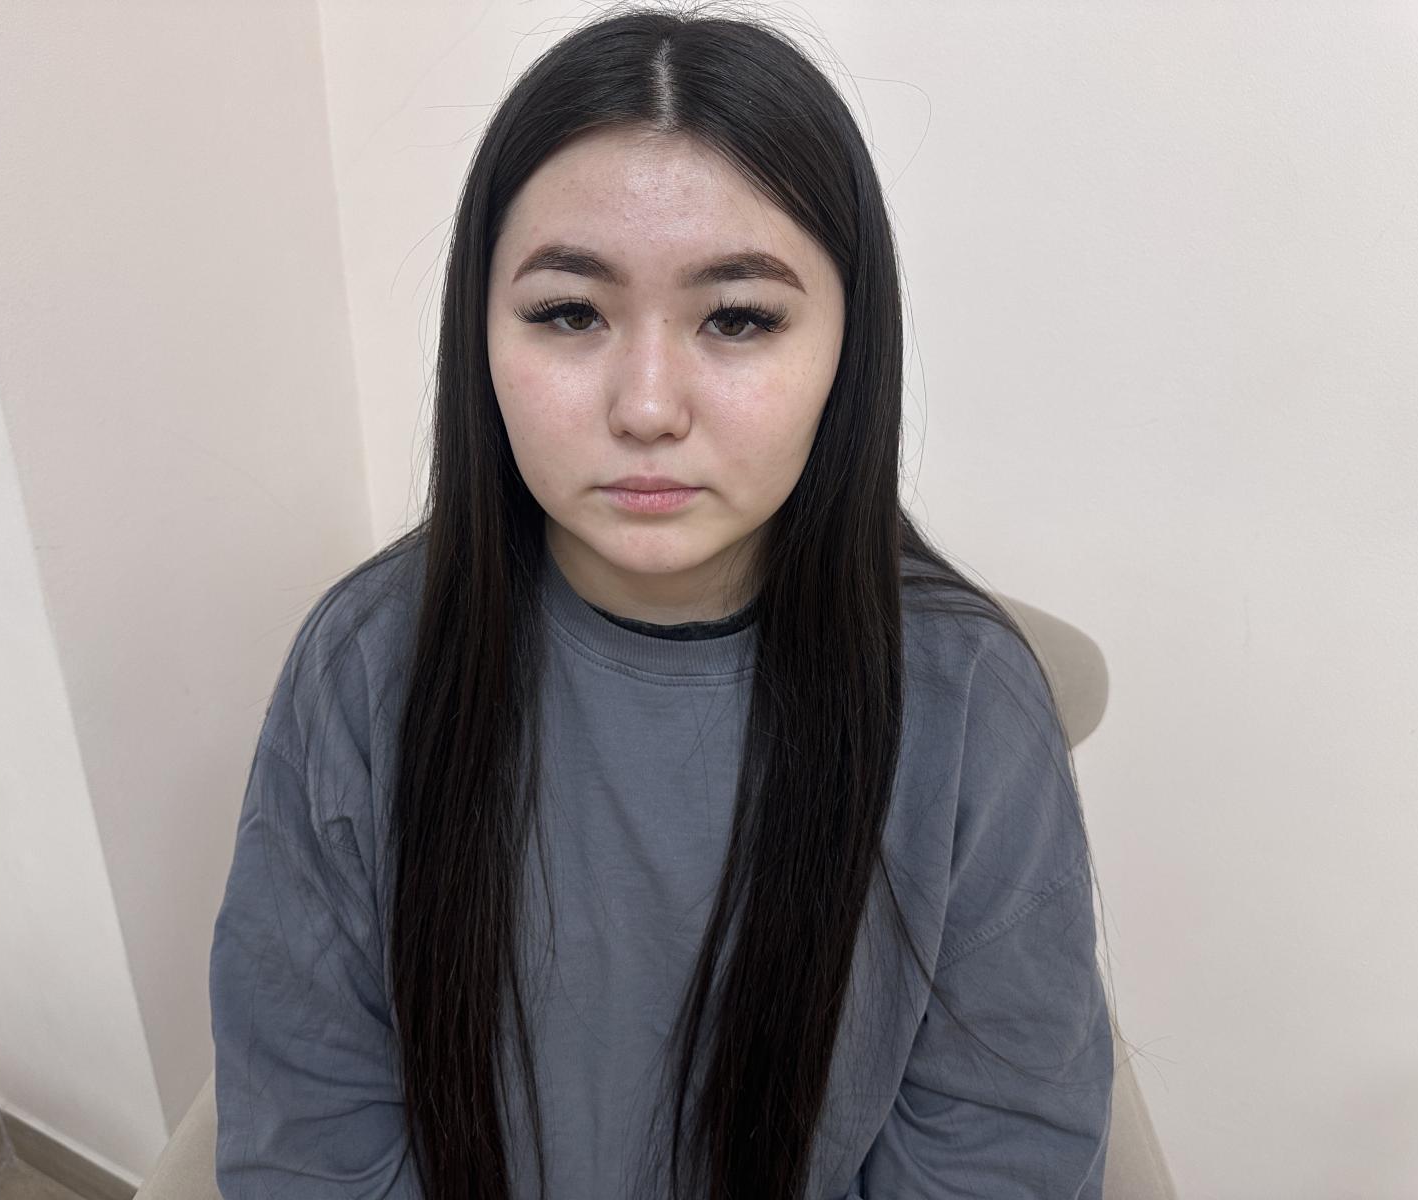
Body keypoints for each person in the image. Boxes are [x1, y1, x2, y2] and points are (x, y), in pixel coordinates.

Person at [208, 6, 1118, 1199]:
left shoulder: (968, 702)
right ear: (477, 338)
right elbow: (308, 1137)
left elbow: (1000, 1146)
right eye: (569, 313)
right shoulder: (366, 662)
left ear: (852, 346)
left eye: (737, 318)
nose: (646, 406)